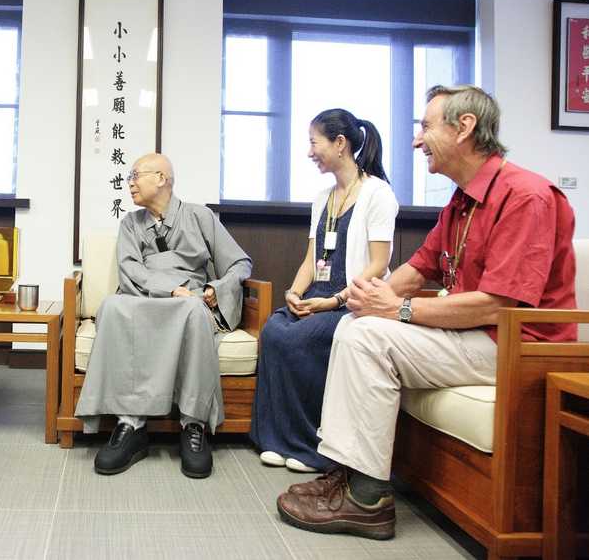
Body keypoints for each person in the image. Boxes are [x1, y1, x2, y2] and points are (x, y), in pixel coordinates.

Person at [276, 85, 577, 540]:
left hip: (519, 346)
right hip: (478, 336)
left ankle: (368, 499)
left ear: (465, 127)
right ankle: (348, 472)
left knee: (368, 336)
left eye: (426, 127)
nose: (417, 141)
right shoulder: (461, 202)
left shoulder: (525, 195)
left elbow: (498, 306)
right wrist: (359, 299)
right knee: (357, 325)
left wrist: (396, 309)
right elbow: (416, 271)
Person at [75, 152, 253, 478]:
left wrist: (216, 287)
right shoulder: (130, 223)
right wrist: (169, 290)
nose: (129, 182)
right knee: (112, 307)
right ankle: (131, 424)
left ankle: (193, 425)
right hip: (145, 299)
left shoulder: (200, 217)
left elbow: (240, 264)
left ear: (162, 178)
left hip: (189, 302)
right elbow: (129, 270)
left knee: (193, 310)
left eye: (135, 175)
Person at [250, 109, 398, 473]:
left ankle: (313, 445)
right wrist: (294, 293)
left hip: (354, 302)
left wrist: (334, 300)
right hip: (317, 296)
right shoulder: (323, 198)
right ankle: (276, 439)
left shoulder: (378, 194)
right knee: (273, 330)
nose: (309, 151)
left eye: (314, 142)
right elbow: (310, 258)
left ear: (340, 144)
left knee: (303, 339)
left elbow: (379, 264)